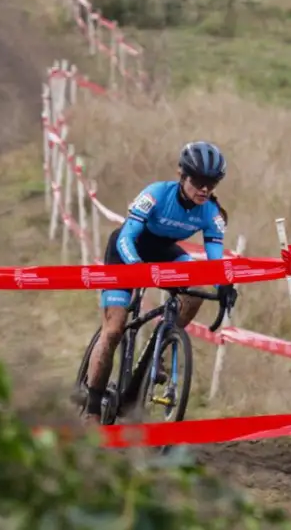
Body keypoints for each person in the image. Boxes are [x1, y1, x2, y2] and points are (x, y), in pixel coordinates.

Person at [79, 140, 236, 423]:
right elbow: (127, 236)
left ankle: (158, 349)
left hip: (164, 252)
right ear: (182, 175)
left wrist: (224, 284)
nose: (204, 189)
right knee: (114, 330)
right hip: (126, 250)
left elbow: (215, 259)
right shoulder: (155, 195)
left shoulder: (211, 213)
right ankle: (92, 407)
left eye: (211, 184)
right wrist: (138, 269)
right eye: (199, 181)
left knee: (195, 292)